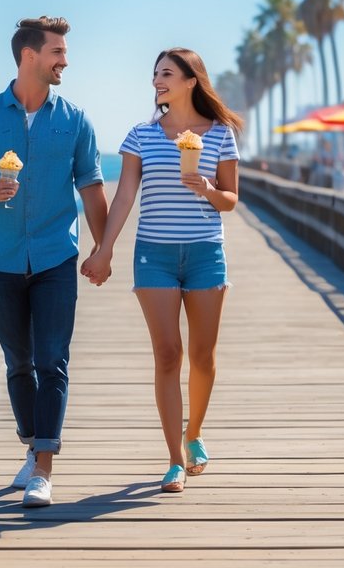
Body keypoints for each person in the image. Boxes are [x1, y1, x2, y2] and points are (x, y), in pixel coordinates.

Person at [0, 16, 108, 508]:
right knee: (18, 363)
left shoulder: (75, 119)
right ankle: (31, 441)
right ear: (29, 56)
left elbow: (92, 187)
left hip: (56, 257)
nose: (65, 60)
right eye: (57, 51)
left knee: (52, 361)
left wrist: (103, 249)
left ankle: (44, 466)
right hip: (0, 260)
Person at [80, 48, 241, 494]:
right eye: (154, 74)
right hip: (154, 254)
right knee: (168, 354)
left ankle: (194, 434)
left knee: (203, 356)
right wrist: (104, 250)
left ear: (191, 80)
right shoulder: (142, 136)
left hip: (207, 251)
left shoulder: (221, 134)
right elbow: (125, 195)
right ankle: (173, 459)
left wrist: (207, 188)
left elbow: (231, 199)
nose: (157, 81)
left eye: (166, 73)